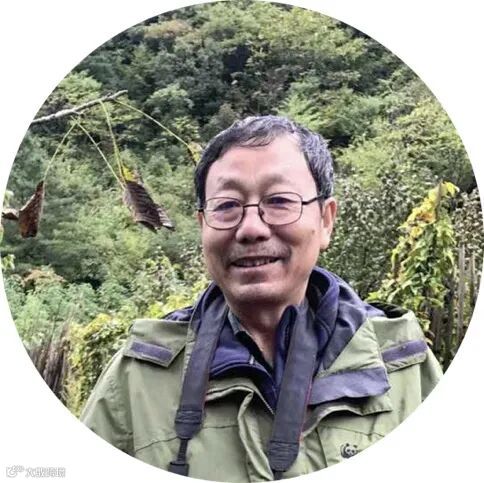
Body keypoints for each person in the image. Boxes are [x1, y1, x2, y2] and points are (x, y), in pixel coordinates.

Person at [81, 115, 442, 481]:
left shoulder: (403, 366)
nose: (251, 228)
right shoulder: (138, 377)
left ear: (326, 221)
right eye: (226, 206)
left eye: (279, 200)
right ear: (203, 226)